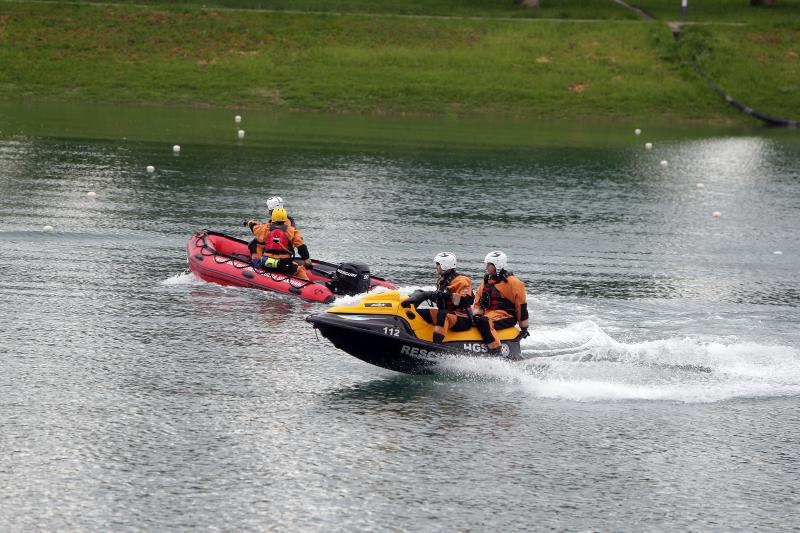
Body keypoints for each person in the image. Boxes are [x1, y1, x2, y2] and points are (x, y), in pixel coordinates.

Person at [402, 252, 474, 344]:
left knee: (443, 314)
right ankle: (412, 336)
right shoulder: (442, 280)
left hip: (463, 318)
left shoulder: (462, 280)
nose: (436, 267)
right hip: (448, 313)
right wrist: (424, 294)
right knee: (418, 313)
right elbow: (441, 299)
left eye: (438, 264)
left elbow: (466, 301)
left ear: (445, 265)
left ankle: (436, 345)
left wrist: (443, 295)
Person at [473, 251, 529, 354]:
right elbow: (478, 303)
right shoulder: (486, 282)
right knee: (475, 320)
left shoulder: (514, 283)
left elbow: (521, 307)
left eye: (489, 265)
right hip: (489, 315)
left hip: (507, 315)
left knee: (484, 321)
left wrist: (524, 328)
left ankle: (496, 350)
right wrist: (476, 317)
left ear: (497, 265)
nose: (486, 267)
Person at [244, 207, 311, 280]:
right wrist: (307, 263)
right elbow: (301, 248)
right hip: (284, 265)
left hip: (266, 263)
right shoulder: (292, 231)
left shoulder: (265, 228)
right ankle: (309, 285)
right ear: (285, 218)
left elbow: (254, 226)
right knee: (300, 271)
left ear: (273, 217)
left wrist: (248, 222)